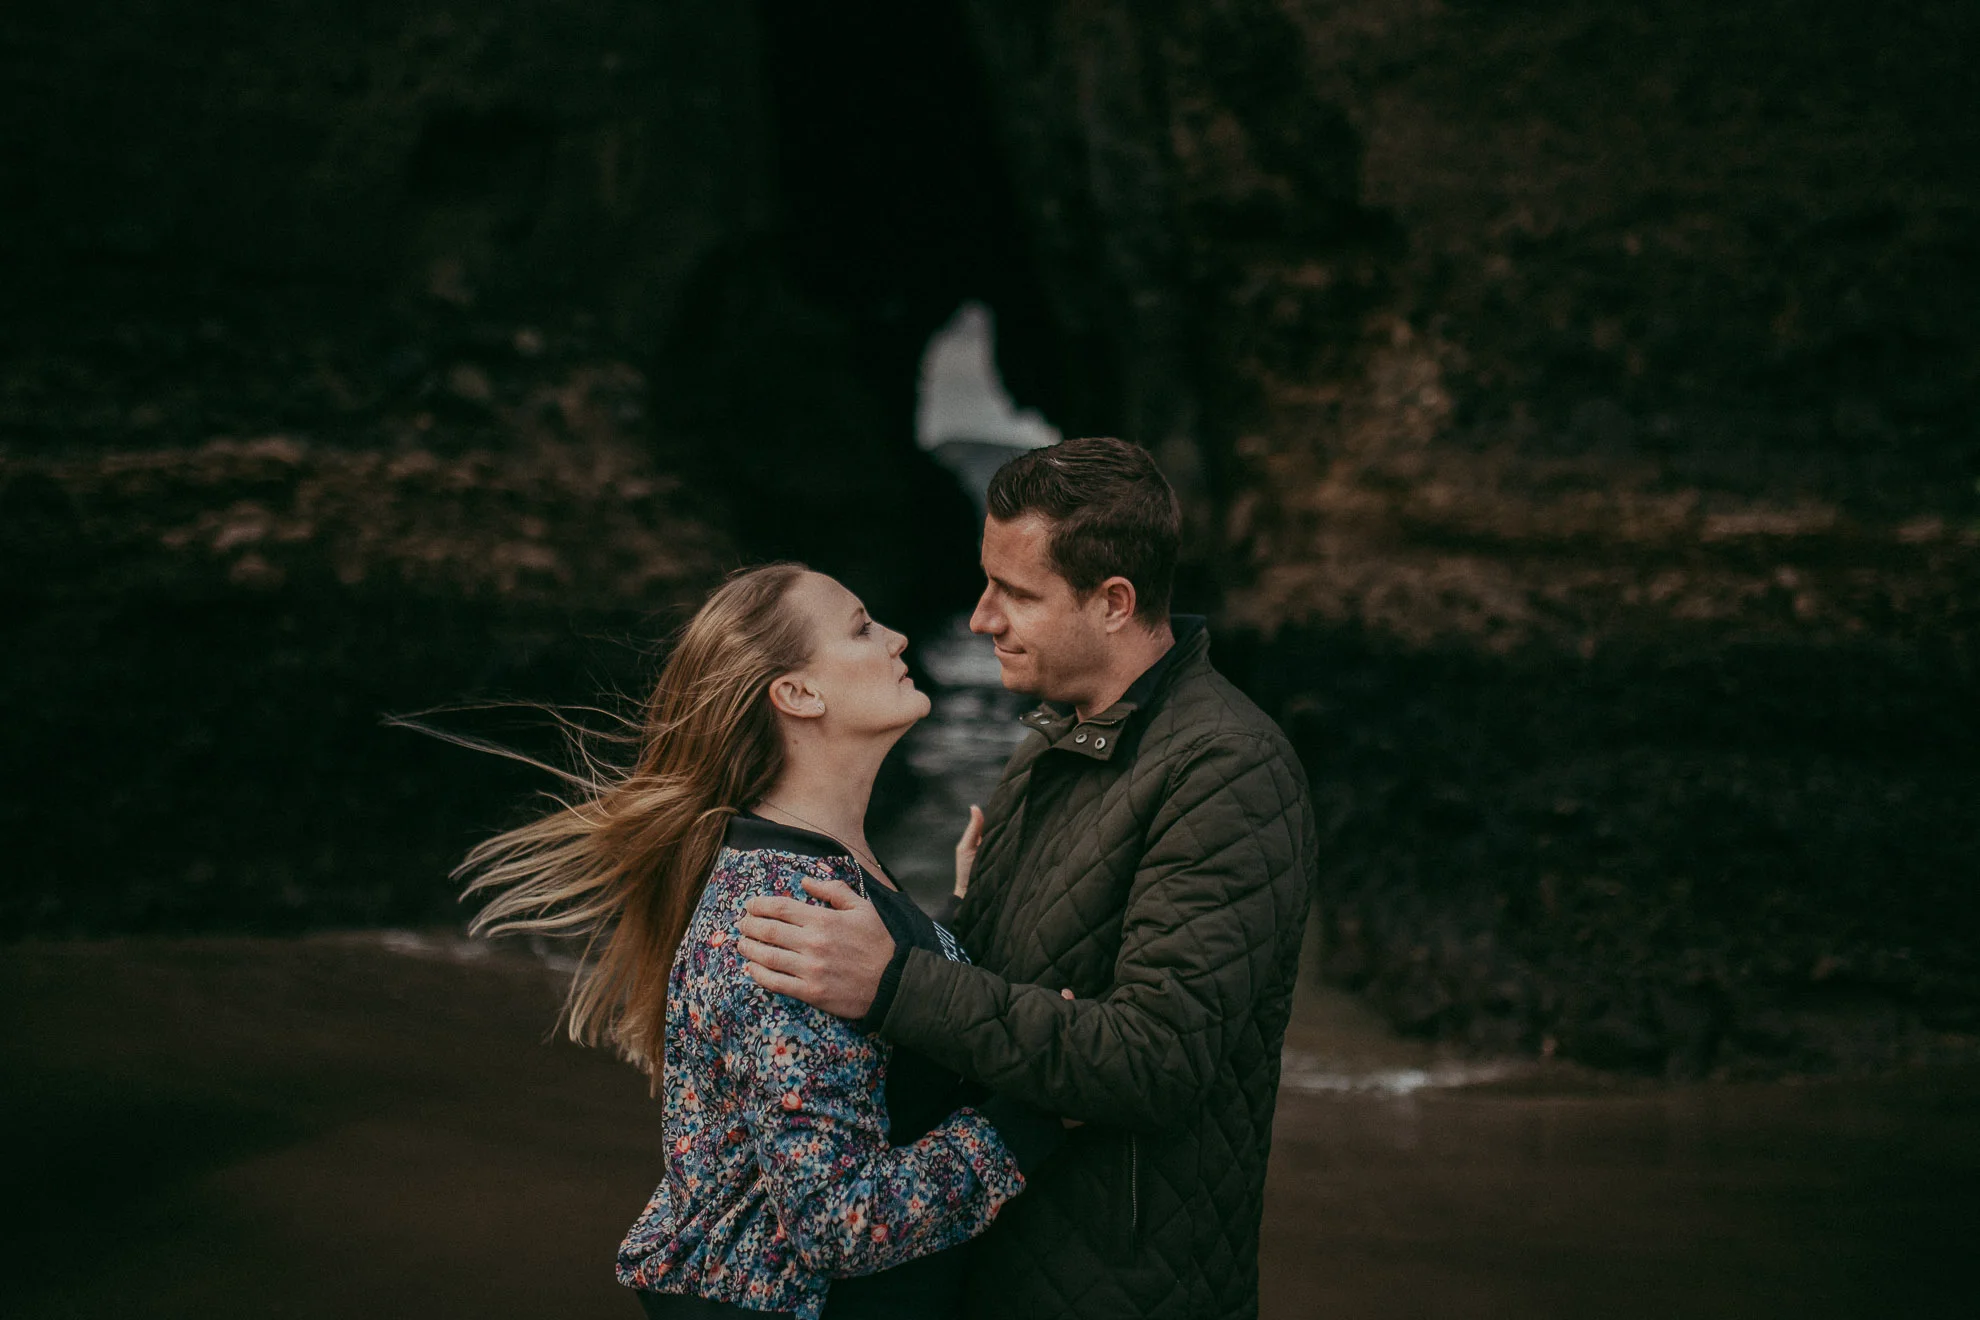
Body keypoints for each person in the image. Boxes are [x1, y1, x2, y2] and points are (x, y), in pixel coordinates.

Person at [737, 437, 1319, 1320]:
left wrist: (893, 977)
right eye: (984, 581)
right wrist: (956, 920)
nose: (980, 619)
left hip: (1121, 1288)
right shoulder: (1060, 735)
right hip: (1002, 1257)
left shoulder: (1230, 769)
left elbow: (1157, 1059)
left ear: (1114, 603)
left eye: (1017, 593)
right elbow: (1013, 989)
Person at [454, 563, 1058, 1320]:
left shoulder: (822, 869)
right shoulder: (783, 913)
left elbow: (887, 1057)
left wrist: (956, 921)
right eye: (863, 626)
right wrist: (1032, 1117)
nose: (899, 636)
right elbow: (839, 1222)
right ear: (798, 694)